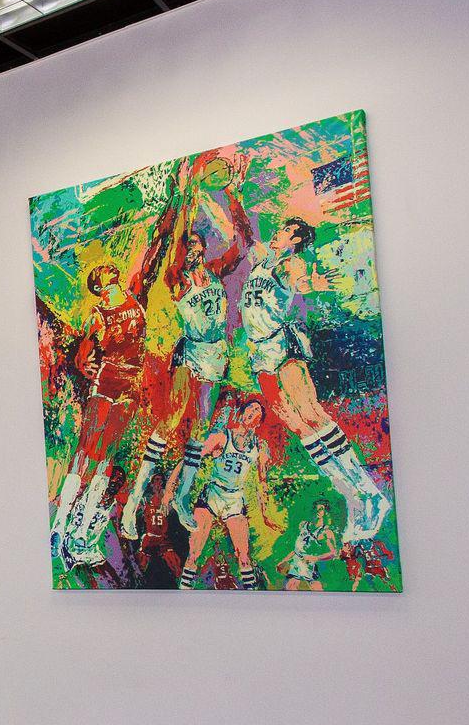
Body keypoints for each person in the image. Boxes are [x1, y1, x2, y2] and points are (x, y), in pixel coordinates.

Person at [52, 179, 183, 566]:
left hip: (131, 378)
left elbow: (149, 260)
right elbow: (83, 355)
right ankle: (60, 526)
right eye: (103, 281)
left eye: (111, 277)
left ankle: (81, 529)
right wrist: (85, 361)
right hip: (108, 378)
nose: (109, 282)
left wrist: (166, 217)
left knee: (107, 455)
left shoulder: (133, 296)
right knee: (87, 451)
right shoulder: (99, 314)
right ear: (98, 286)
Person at [239, 213, 392, 542]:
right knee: (298, 427)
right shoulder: (262, 263)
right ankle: (353, 500)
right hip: (259, 353)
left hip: (283, 345)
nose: (277, 234)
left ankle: (372, 494)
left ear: (294, 240)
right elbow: (245, 234)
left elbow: (299, 279)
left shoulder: (288, 264)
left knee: (311, 413)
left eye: (283, 231)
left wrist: (313, 284)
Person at [124, 156, 253, 538]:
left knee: (198, 432)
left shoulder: (213, 273)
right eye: (190, 246)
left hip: (216, 356)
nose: (194, 249)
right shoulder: (178, 277)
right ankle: (133, 503)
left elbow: (242, 246)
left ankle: (182, 497)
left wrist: (234, 195)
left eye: (197, 244)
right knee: (170, 423)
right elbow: (178, 244)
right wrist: (184, 196)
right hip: (191, 352)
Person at [180, 399, 275, 591]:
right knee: (194, 552)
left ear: (260, 420)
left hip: (234, 499)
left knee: (244, 556)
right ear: (241, 414)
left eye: (257, 410)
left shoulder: (260, 446)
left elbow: (262, 482)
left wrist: (265, 512)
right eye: (249, 408)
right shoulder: (223, 437)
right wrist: (175, 491)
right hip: (213, 493)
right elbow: (191, 459)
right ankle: (184, 588)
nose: (252, 412)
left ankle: (251, 593)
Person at [281, 499, 340, 591]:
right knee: (289, 588)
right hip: (295, 565)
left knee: (316, 593)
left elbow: (333, 553)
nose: (317, 511)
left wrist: (316, 558)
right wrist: (284, 560)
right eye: (315, 508)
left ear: (325, 512)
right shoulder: (303, 525)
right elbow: (297, 549)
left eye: (320, 509)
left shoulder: (326, 532)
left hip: (311, 568)